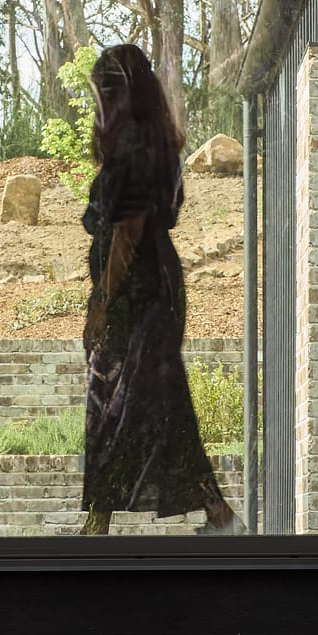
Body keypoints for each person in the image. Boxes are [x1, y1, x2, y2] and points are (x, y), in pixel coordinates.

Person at [79, 44, 242, 537]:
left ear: (120, 95)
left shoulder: (133, 148)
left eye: (103, 93)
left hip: (138, 292)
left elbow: (128, 231)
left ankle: (103, 522)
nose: (98, 104)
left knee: (131, 397)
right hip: (152, 288)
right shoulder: (158, 145)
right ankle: (214, 516)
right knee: (145, 399)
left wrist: (102, 303)